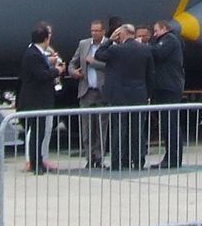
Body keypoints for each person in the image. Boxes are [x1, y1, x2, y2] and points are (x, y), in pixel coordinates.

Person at [90, 24, 152, 169]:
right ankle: (138, 160)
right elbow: (150, 73)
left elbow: (98, 55)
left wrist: (109, 40)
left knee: (119, 129)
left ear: (122, 34)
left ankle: (118, 161)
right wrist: (148, 93)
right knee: (137, 130)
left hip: (119, 96)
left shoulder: (115, 50)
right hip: (139, 94)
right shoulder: (145, 49)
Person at [17, 22, 63, 174]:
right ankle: (35, 163)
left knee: (40, 132)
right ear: (45, 39)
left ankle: (39, 161)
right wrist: (57, 71)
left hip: (39, 99)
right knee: (37, 133)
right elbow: (41, 75)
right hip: (36, 100)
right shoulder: (33, 55)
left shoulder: (36, 53)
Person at [65, 20, 109, 166]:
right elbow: (72, 63)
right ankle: (89, 157)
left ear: (103, 31)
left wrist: (93, 62)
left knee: (101, 128)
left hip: (102, 91)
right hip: (86, 91)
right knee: (87, 128)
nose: (94, 33)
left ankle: (99, 157)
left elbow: (111, 66)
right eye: (92, 31)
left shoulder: (108, 45)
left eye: (97, 31)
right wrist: (73, 72)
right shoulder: (84, 44)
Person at [148, 19, 187, 168]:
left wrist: (144, 46)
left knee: (170, 124)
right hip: (165, 86)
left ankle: (173, 158)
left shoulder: (169, 40)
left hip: (169, 87)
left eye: (156, 30)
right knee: (166, 124)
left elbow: (158, 53)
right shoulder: (167, 40)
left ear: (164, 28)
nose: (154, 34)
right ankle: (170, 157)